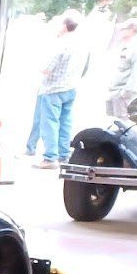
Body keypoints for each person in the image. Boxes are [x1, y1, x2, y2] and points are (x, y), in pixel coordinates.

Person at [34, 10, 87, 169]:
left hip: (53, 89)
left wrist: (40, 68)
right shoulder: (81, 44)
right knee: (65, 123)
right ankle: (64, 154)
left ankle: (50, 157)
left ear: (65, 25)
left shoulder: (62, 43)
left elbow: (48, 67)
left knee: (49, 123)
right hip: (71, 87)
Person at [104, 19, 137, 118]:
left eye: (124, 28)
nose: (121, 30)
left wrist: (125, 94)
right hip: (113, 92)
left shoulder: (136, 49)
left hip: (122, 95)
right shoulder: (122, 46)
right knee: (111, 124)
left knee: (122, 125)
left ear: (132, 30)